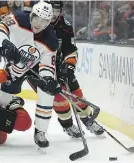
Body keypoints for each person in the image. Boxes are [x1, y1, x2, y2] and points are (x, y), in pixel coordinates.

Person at [27, 1, 104, 137]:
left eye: (57, 11)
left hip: (59, 66)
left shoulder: (65, 27)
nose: (54, 15)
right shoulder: (34, 24)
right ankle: (67, 125)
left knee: (76, 93)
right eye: (52, 10)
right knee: (58, 97)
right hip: (38, 69)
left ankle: (88, 120)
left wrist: (69, 66)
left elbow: (70, 49)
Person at [0, 1, 59, 149]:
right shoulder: (19, 18)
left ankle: (40, 131)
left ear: (49, 21)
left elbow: (47, 65)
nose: (39, 24)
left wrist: (48, 78)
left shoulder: (51, 40)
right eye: (37, 18)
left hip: (36, 68)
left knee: (47, 93)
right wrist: (5, 44)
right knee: (0, 101)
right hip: (16, 66)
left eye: (44, 21)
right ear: (31, 14)